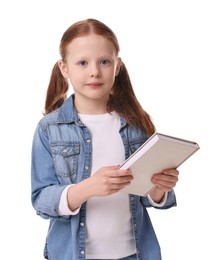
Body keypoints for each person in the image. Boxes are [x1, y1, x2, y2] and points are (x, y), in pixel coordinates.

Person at [31, 18, 179, 260]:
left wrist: (159, 189)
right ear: (64, 68)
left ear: (117, 66)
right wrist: (88, 188)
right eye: (82, 62)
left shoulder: (136, 123)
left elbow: (151, 197)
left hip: (135, 254)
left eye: (104, 61)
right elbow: (41, 200)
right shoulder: (50, 128)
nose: (94, 71)